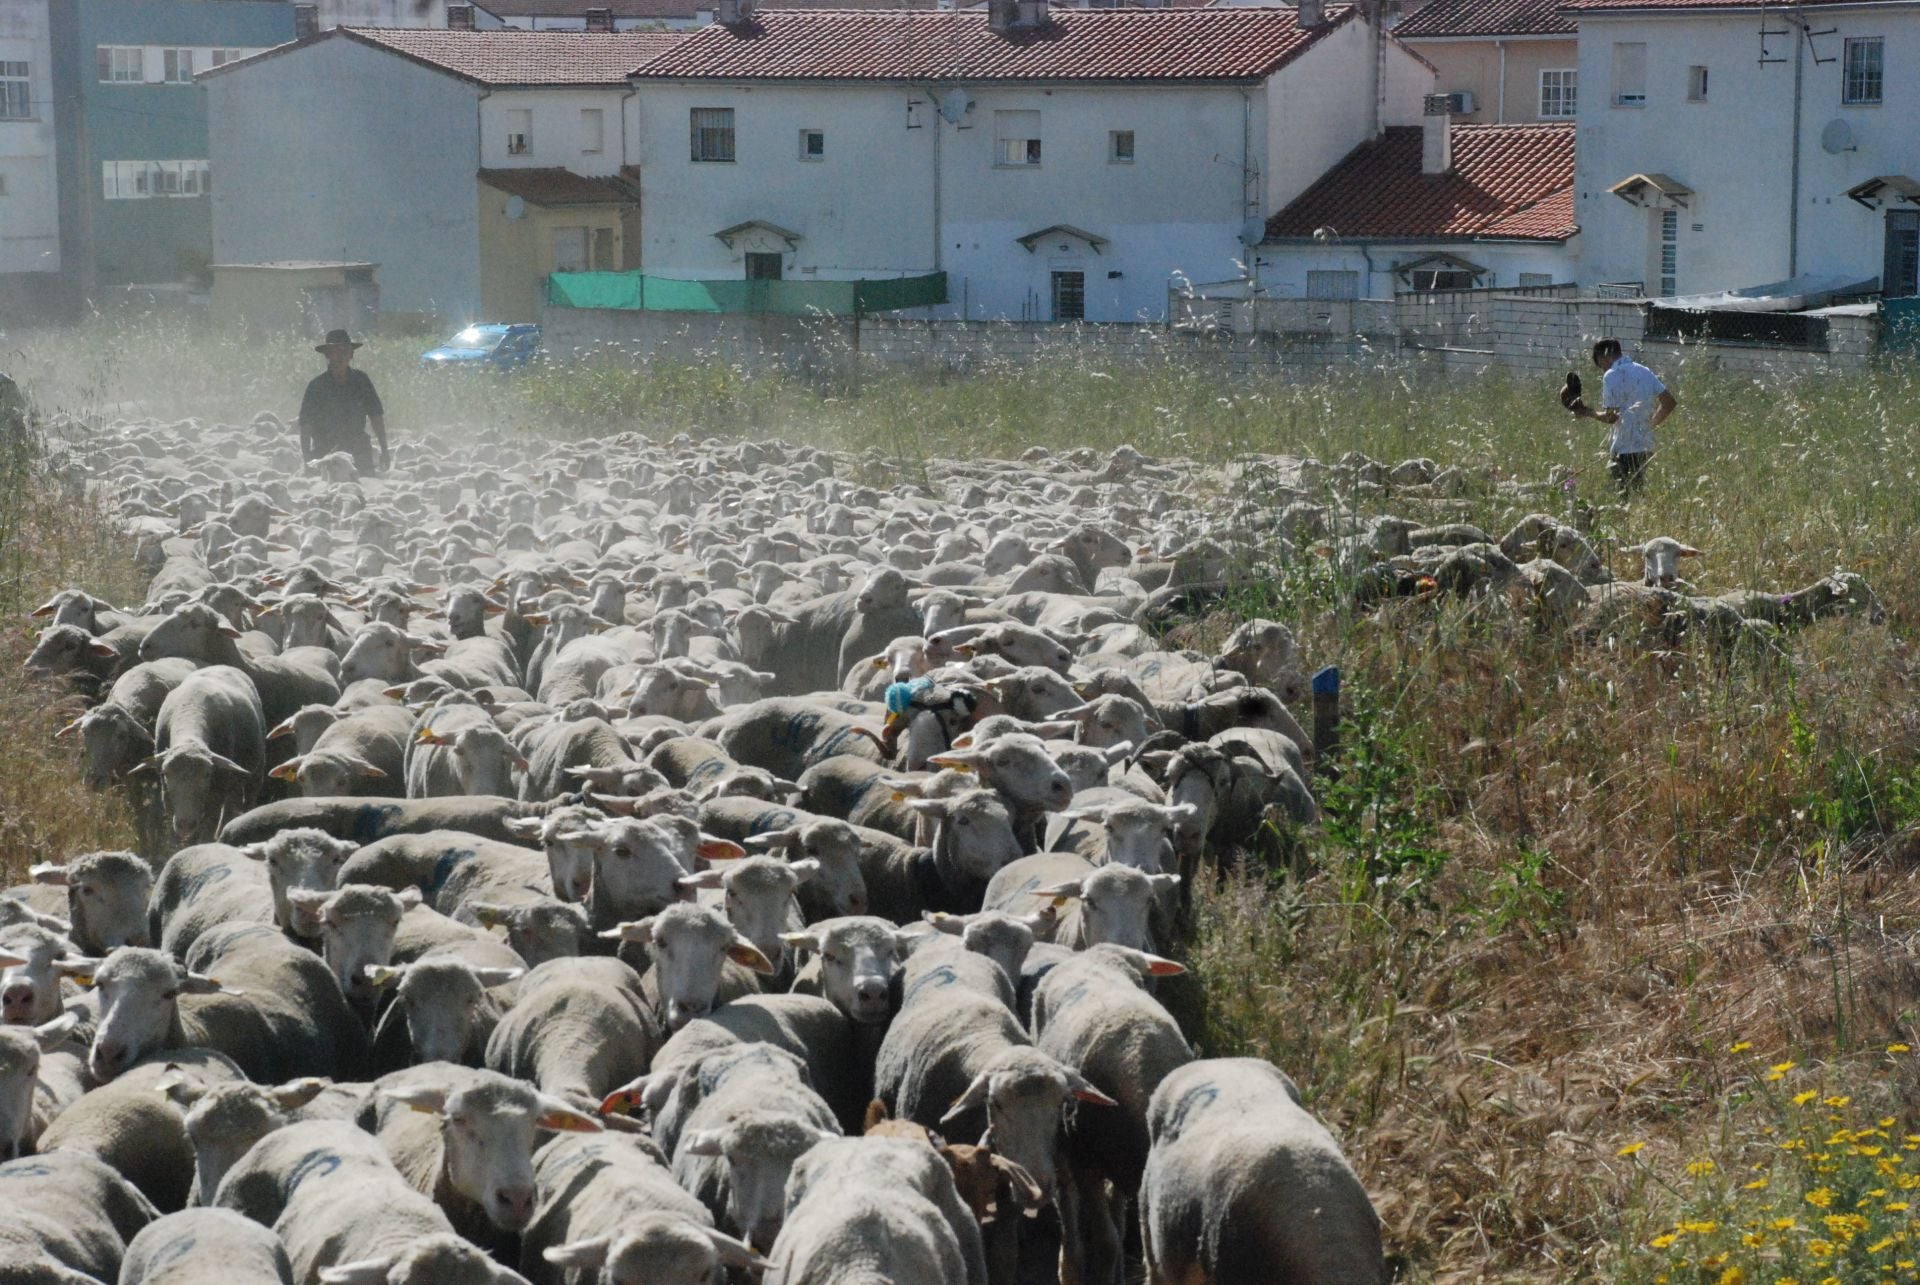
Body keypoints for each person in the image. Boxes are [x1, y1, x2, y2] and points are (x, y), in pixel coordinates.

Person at [1573, 337, 1676, 497]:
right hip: (1645, 446)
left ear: (1603, 357)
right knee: (1637, 493)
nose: (1602, 370)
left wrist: (1588, 412)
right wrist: (1649, 427)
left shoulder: (1610, 375)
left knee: (1620, 497)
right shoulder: (1644, 371)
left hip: (1624, 448)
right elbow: (1669, 403)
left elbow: (1611, 417)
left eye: (1601, 365)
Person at [298, 329, 388, 474]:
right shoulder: (317, 386)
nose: (340, 355)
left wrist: (384, 449)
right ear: (327, 354)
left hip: (358, 451)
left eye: (345, 350)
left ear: (351, 354)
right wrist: (307, 460)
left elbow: (376, 415)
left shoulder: (361, 381)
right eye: (335, 351)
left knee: (362, 490)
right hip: (326, 453)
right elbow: (305, 425)